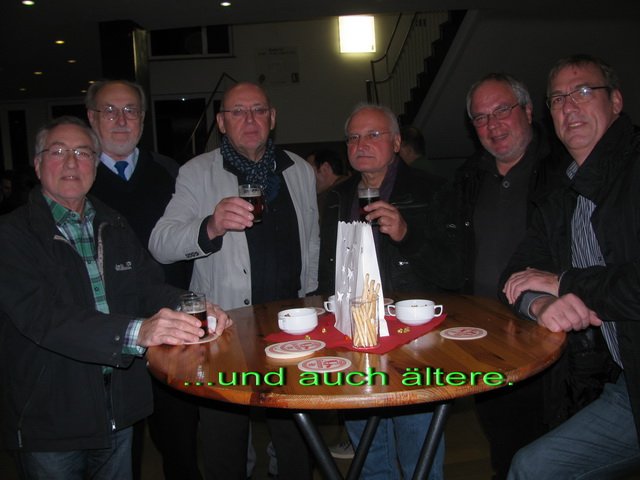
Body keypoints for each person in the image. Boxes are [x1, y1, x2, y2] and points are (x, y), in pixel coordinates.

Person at [0, 116, 231, 480]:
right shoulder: (12, 234)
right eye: (58, 152)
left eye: (83, 153)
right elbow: (42, 316)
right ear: (38, 163)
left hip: (119, 407)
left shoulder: (113, 222)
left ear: (95, 164)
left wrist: (191, 304)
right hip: (51, 415)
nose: (72, 162)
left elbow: (147, 287)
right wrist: (137, 332)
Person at [149, 82, 319, 480]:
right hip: (227, 330)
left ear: (272, 118)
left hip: (292, 328)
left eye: (258, 110)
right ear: (222, 123)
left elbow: (311, 240)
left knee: (296, 439)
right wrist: (210, 225)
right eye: (237, 112)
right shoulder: (197, 172)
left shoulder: (299, 170)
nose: (250, 120)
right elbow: (160, 244)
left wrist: (312, 300)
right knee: (225, 443)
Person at [501, 54, 640, 478]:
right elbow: (516, 273)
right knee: (530, 467)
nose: (569, 106)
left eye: (583, 91)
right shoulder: (564, 192)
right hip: (626, 387)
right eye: (558, 98)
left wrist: (561, 282)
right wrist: (541, 303)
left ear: (615, 101)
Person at [443, 72, 572, 480]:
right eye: (480, 118)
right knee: (501, 440)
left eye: (502, 111)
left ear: (529, 111)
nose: (492, 125)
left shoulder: (563, 170)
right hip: (486, 333)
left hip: (547, 329)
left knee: (550, 446)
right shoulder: (468, 177)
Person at [317, 103, 445, 479]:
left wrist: (407, 235)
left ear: (397, 142)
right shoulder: (337, 197)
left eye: (373, 134)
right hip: (353, 336)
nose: (361, 144)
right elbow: (329, 267)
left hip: (413, 341)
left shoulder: (432, 189)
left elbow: (453, 269)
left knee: (417, 452)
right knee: (369, 454)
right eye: (353, 137)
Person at [85, 79, 198, 480]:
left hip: (172, 327)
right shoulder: (79, 176)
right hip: (112, 332)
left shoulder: (171, 172)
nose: (121, 120)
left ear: (143, 119)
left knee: (181, 441)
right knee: (119, 450)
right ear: (92, 117)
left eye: (130, 110)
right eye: (109, 110)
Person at [306, 148, 349, 225]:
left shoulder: (327, 199)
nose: (305, 177)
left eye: (308, 171)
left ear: (325, 168)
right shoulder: (354, 187)